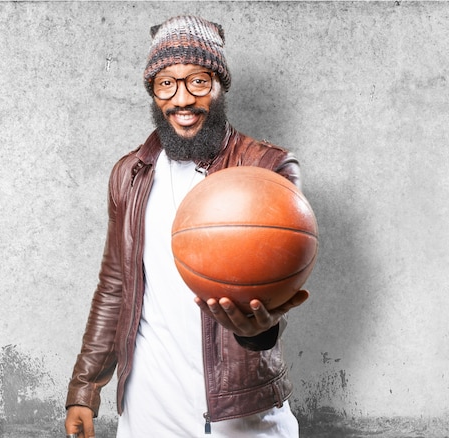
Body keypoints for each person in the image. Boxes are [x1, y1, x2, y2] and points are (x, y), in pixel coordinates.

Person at [64, 15, 309, 438]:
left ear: (219, 86)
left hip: (242, 410)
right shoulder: (130, 174)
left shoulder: (267, 168)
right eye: (166, 83)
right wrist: (84, 389)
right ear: (154, 92)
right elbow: (114, 285)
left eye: (198, 81)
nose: (182, 99)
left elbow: (273, 291)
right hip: (149, 407)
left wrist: (259, 332)